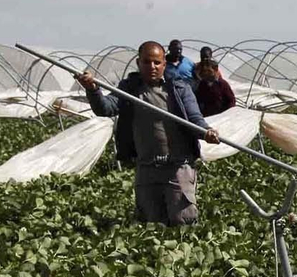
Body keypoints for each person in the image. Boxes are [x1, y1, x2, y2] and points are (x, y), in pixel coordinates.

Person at [75, 40, 219, 226]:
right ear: (138, 63)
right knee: (150, 224)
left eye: (157, 63)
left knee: (182, 221)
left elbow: (194, 118)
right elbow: (106, 108)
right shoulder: (130, 89)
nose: (152, 66)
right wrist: (93, 90)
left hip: (177, 167)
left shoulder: (178, 88)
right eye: (146, 62)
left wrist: (206, 132)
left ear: (164, 64)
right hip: (147, 168)